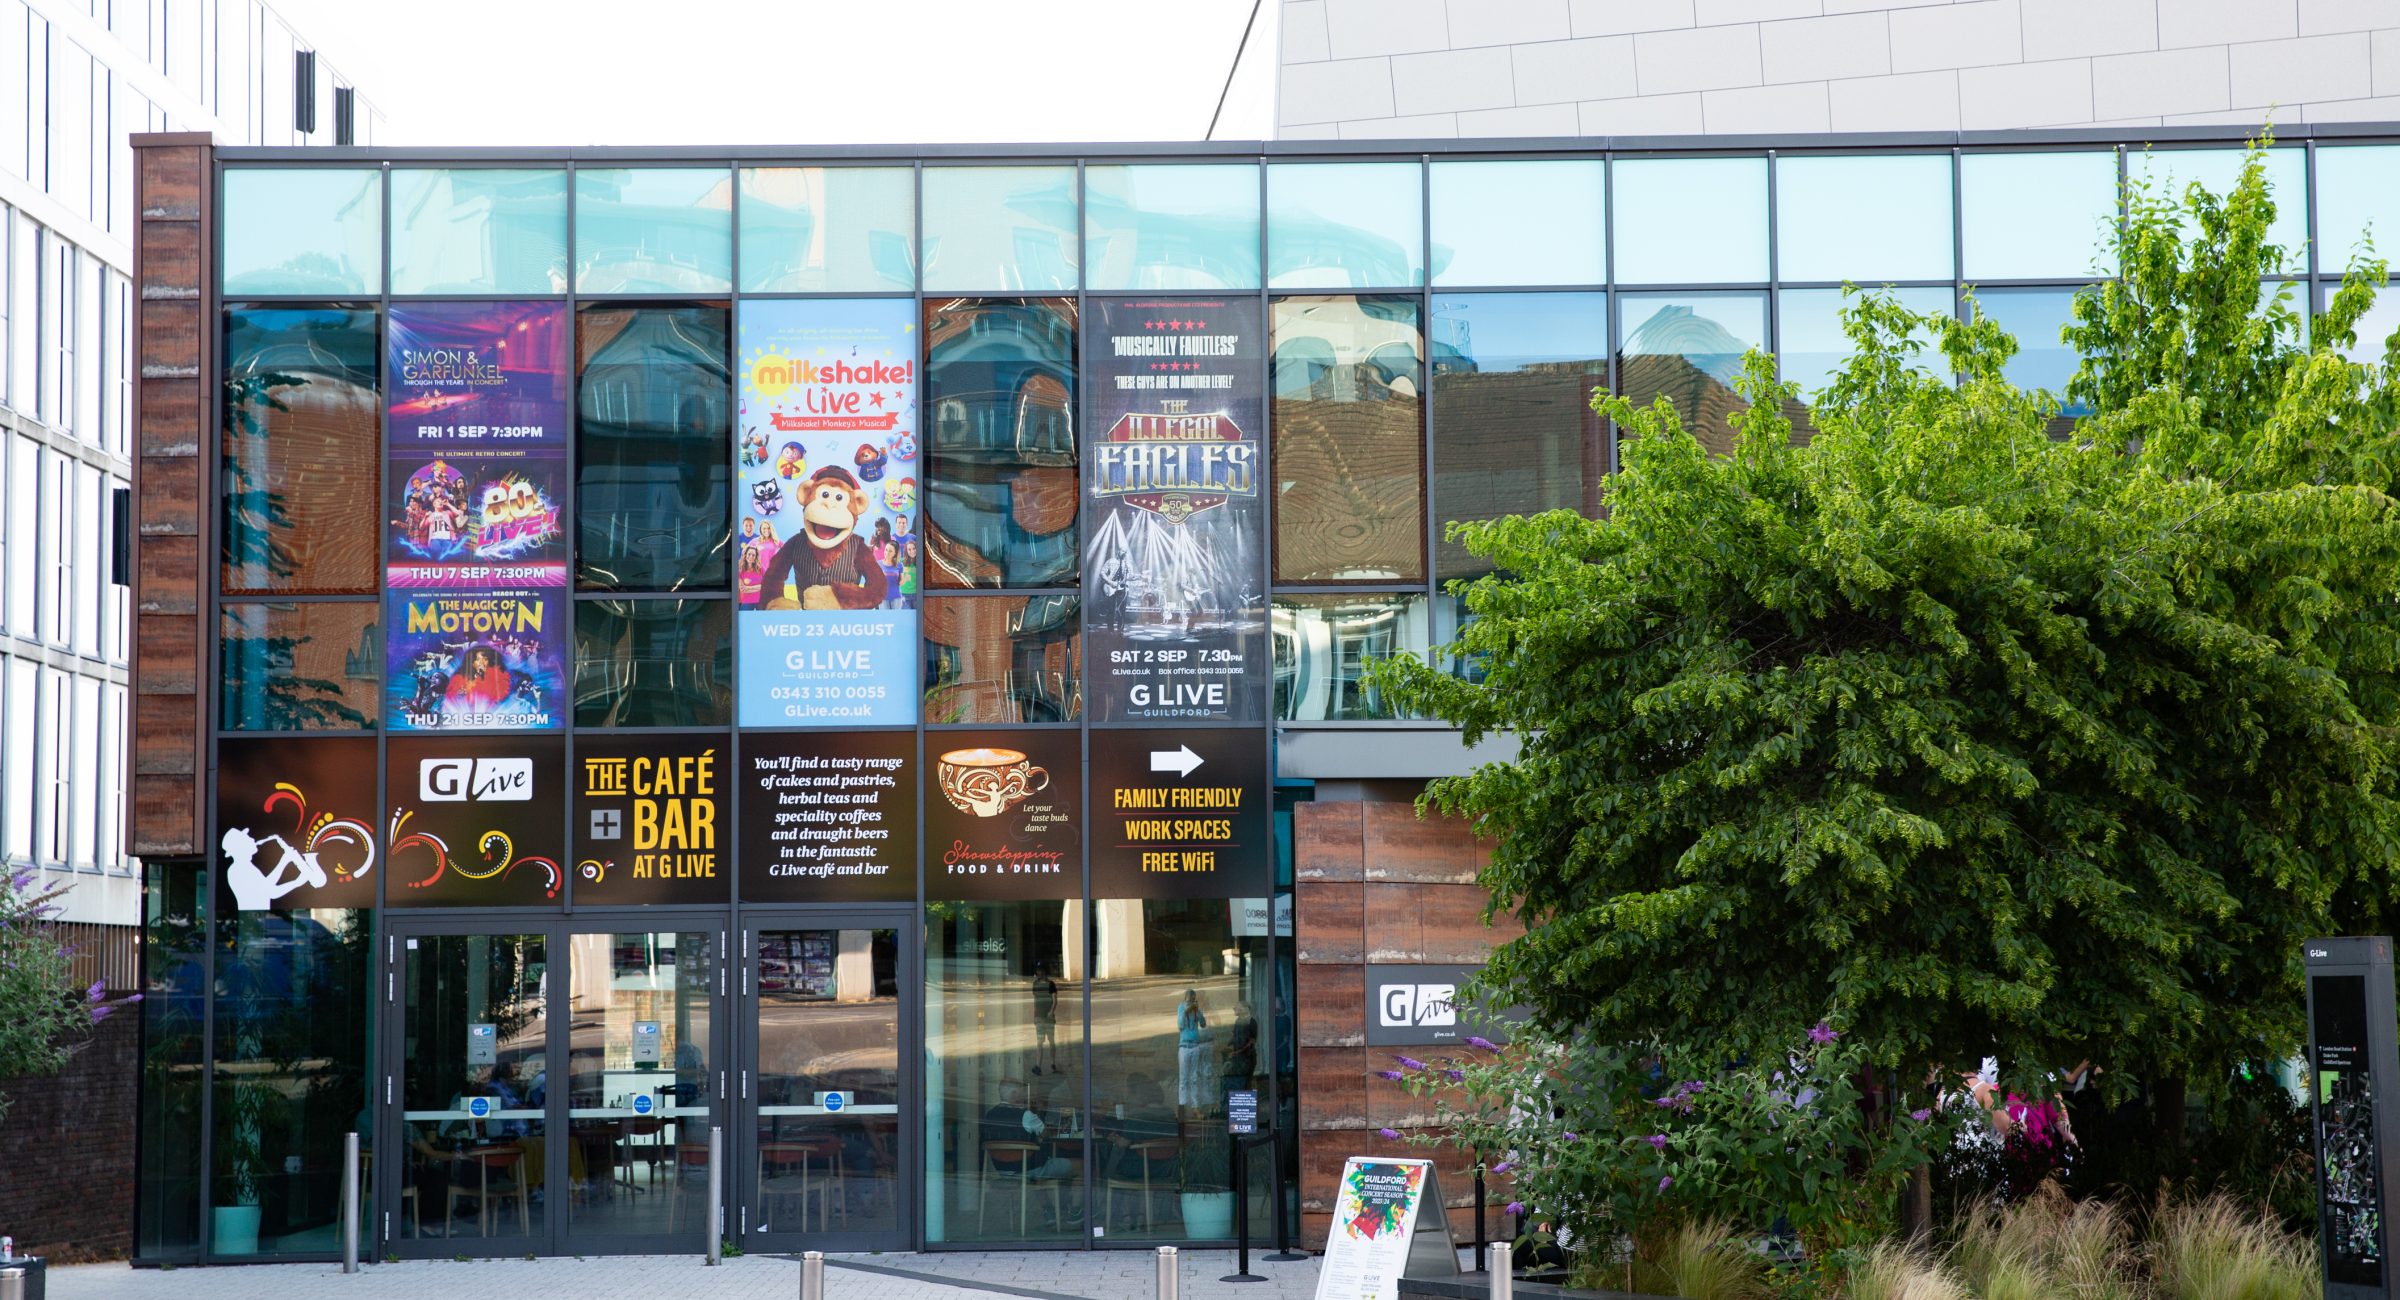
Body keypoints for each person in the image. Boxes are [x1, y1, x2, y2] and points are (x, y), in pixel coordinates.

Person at [1176, 990, 1211, 1110]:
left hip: (1195, 1046)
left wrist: (1198, 1011)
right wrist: (1187, 1010)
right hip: (1184, 1046)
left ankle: (1195, 1105)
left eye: (1192, 999)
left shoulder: (1196, 1010)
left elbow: (1203, 1024)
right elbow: (1180, 1025)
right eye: (1189, 1000)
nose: (1190, 1002)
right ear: (1185, 998)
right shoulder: (1181, 1007)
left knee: (1194, 1077)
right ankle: (1182, 1105)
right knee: (1183, 1078)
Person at [1030, 965, 1060, 1072]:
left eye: (1041, 971)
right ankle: (1038, 1066)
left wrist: (1051, 1011)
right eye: (1038, 971)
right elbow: (1036, 1000)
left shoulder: (1051, 984)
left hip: (1048, 1017)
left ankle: (1052, 1063)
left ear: (1044, 972)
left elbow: (1055, 1000)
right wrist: (1035, 1016)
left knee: (1051, 1040)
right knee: (1039, 1042)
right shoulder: (1035, 984)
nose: (1039, 973)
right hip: (1039, 1017)